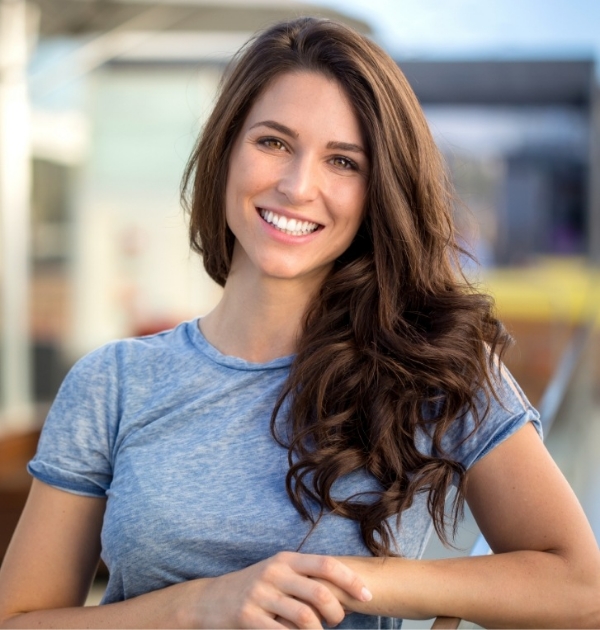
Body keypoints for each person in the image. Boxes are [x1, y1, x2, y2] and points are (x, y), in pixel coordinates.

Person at [1, 16, 599, 629]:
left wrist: (354, 581)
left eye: (343, 161)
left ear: (377, 192)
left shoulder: (434, 366)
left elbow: (581, 588)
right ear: (226, 149)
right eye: (274, 143)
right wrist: (198, 605)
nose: (296, 185)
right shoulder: (114, 384)